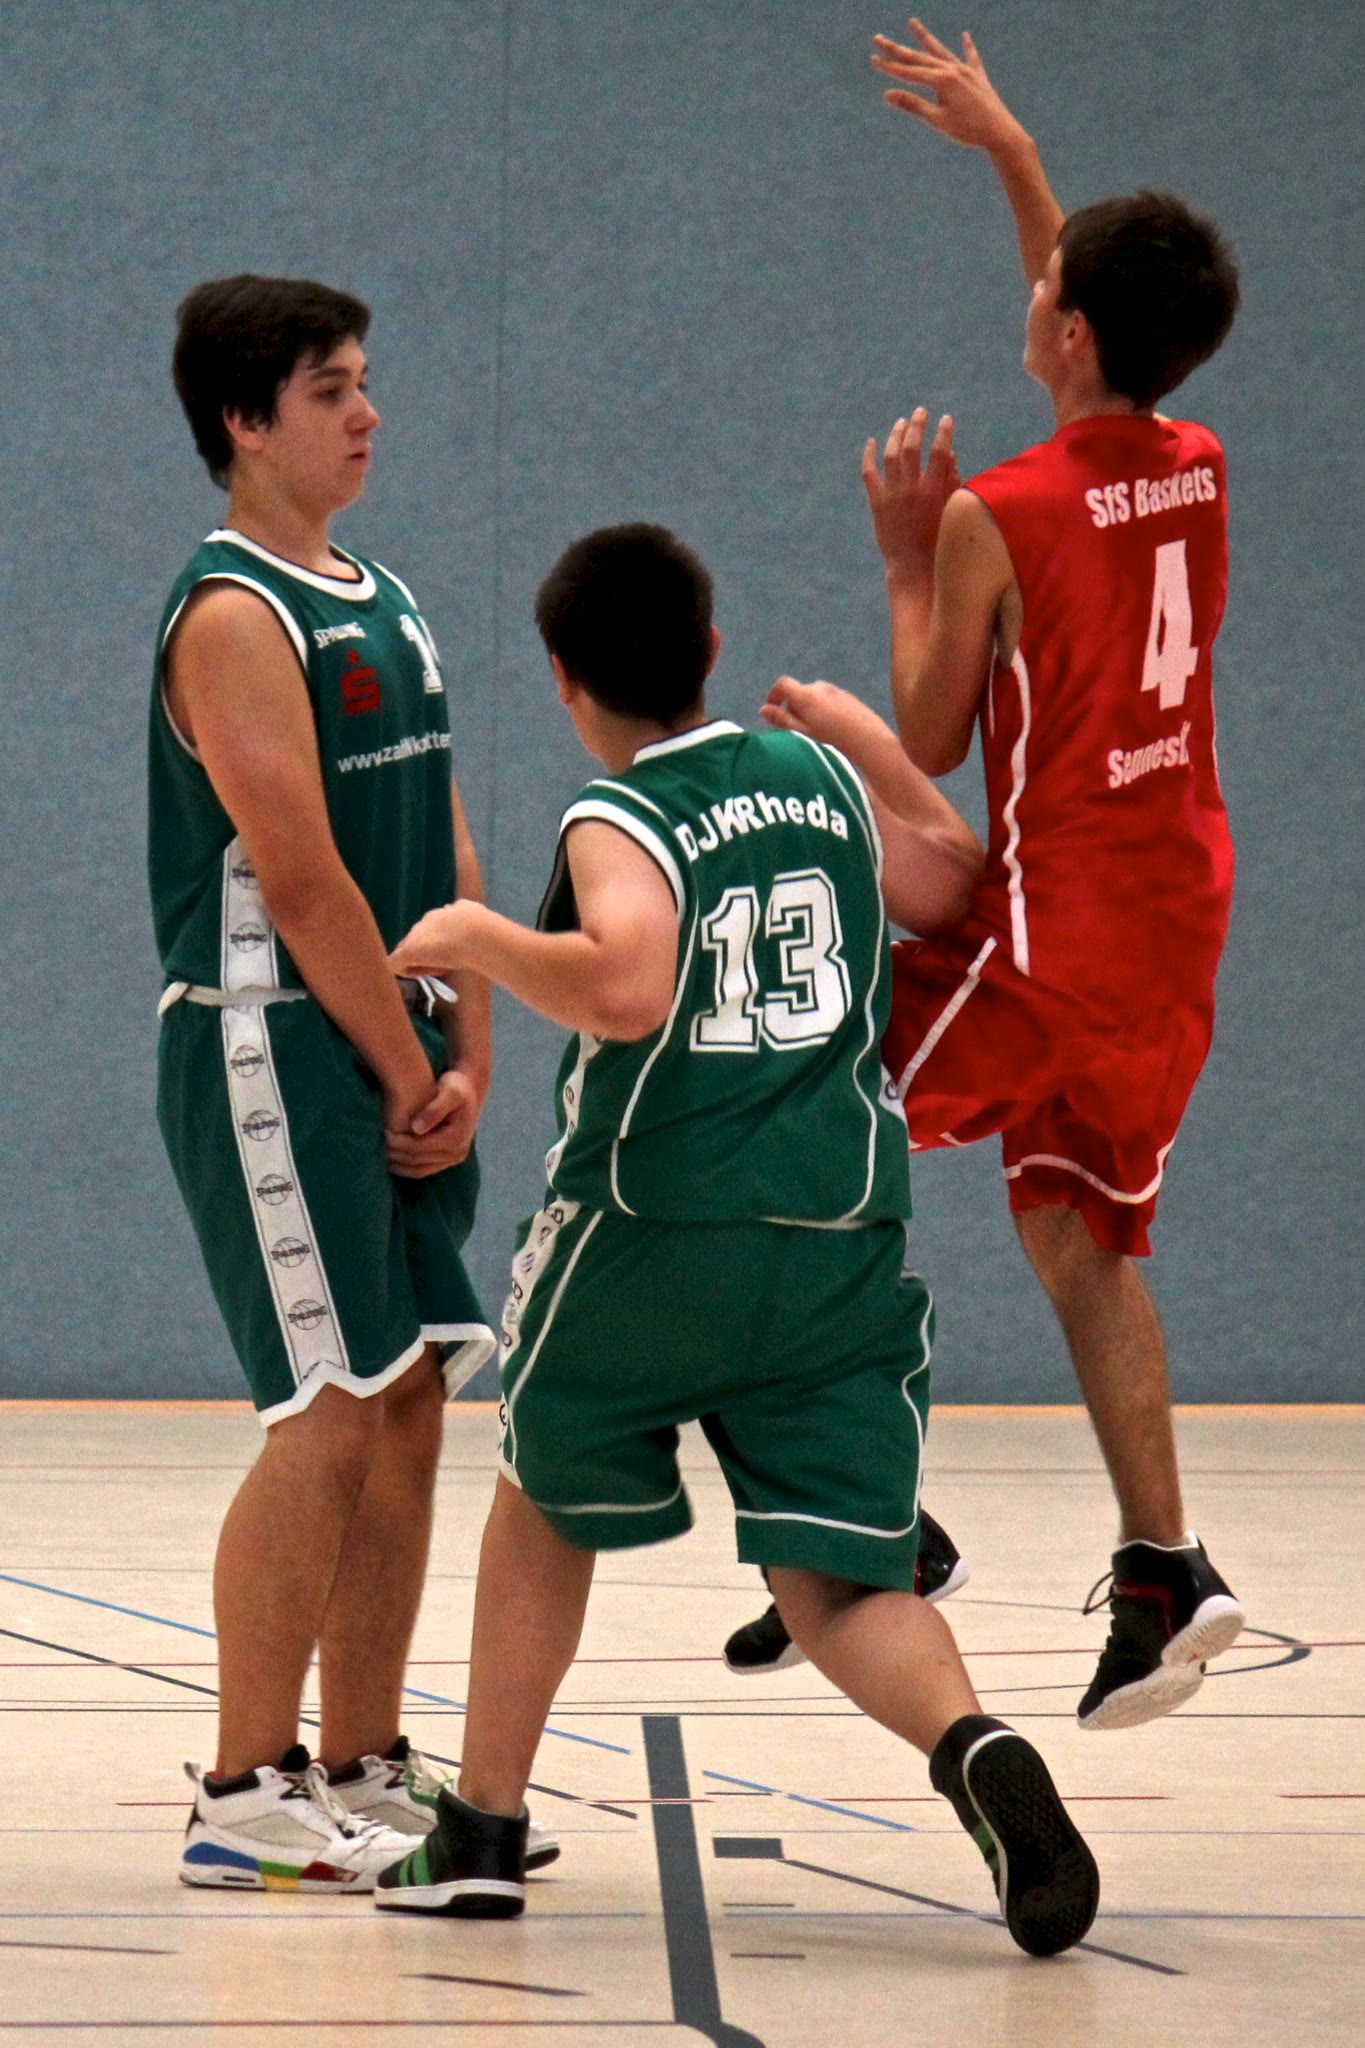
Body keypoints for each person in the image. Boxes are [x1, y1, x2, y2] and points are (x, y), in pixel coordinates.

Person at [372, 521, 1100, 1958]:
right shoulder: (820, 779)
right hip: (835, 1239)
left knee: (543, 1497)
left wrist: (479, 939)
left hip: (650, 1232)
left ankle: (483, 1830)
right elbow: (953, 878)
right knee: (837, 1583)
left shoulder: (616, 815)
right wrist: (868, 742)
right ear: (710, 649)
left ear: (565, 678)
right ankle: (974, 1745)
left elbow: (627, 985)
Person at [732, 21, 1247, 1731]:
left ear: (1070, 331)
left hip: (1052, 934)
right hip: (1174, 917)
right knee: (1071, 1228)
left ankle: (864, 1507)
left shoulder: (996, 514)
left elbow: (934, 730)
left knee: (790, 1112)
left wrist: (902, 557)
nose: (1031, 302)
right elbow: (1090, 331)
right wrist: (1015, 154)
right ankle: (1162, 1563)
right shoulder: (1191, 465)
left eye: (1047, 295)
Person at [151, 274, 555, 1888]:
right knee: (322, 1410)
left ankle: (363, 1763)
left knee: (406, 1402)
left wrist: (473, 1041)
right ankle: (242, 1794)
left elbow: (441, 836)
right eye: (330, 390)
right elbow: (304, 881)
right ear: (245, 422)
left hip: (398, 1041)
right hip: (274, 1040)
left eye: (365, 382)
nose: (368, 413)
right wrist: (400, 1061)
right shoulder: (232, 615)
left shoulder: (384, 599)